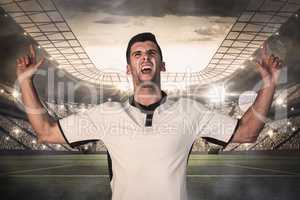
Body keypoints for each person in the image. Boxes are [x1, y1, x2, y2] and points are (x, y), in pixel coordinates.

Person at [16, 32, 282, 200]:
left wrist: (268, 85)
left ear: (162, 65)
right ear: (129, 68)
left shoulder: (189, 110)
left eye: (152, 53)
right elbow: (45, 131)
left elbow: (247, 132)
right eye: (138, 54)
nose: (145, 57)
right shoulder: (107, 114)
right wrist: (26, 81)